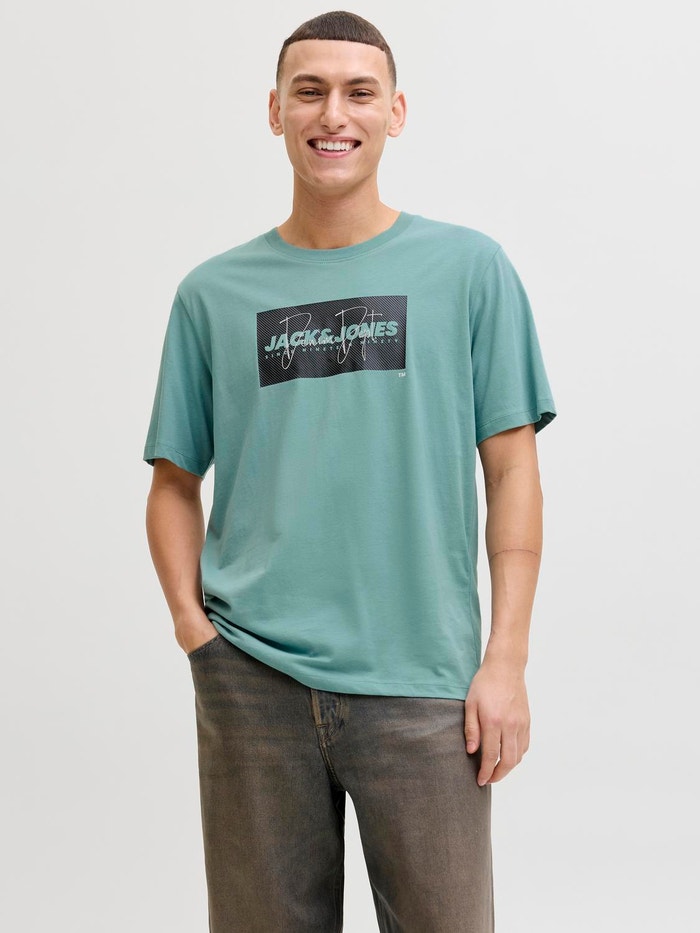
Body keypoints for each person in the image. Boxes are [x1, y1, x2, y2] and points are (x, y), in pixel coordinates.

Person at [142, 10, 556, 932]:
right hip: (252, 677)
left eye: (359, 92)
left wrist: (507, 659)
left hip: (424, 680)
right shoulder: (212, 294)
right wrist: (195, 633)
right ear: (276, 110)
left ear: (395, 112)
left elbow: (512, 471)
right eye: (311, 91)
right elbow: (172, 479)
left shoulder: (468, 270)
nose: (334, 113)